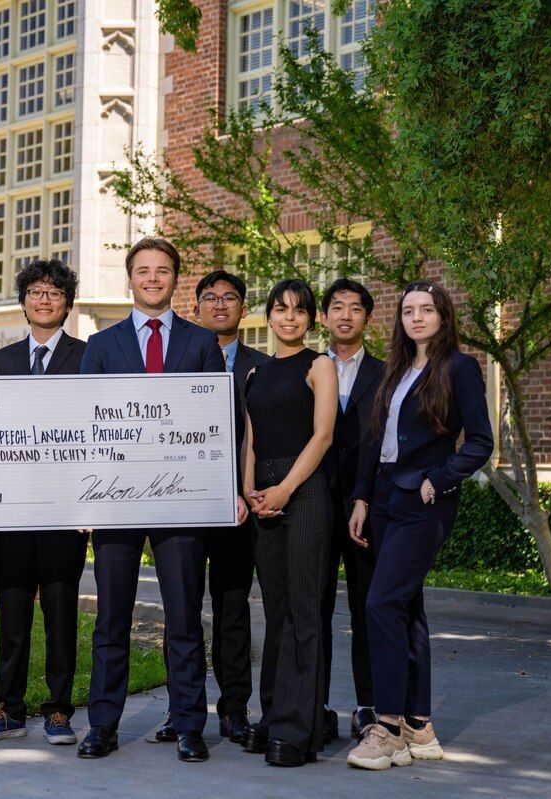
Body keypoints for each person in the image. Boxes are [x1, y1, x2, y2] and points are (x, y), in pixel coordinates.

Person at [76, 236, 246, 764]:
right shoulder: (101, 346)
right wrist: (84, 501)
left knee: (184, 618)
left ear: (175, 278)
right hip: (116, 504)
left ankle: (190, 724)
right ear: (130, 279)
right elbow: (85, 426)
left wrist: (222, 490)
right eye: (143, 270)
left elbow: (214, 425)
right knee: (112, 621)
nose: (153, 278)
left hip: (181, 504)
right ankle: (102, 724)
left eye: (163, 270)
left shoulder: (200, 344)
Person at [345, 280, 493, 770]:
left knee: (381, 602)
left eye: (427, 309)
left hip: (423, 501)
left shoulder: (459, 368)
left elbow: (480, 441)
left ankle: (386, 727)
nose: (417, 318)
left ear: (443, 316)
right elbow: (377, 439)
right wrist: (363, 496)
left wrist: (440, 478)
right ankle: (419, 725)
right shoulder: (397, 370)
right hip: (384, 497)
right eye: (408, 310)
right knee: (407, 609)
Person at [0, 258, 89, 747]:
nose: (44, 300)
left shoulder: (90, 357)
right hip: (14, 512)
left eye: (54, 292)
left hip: (66, 513)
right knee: (12, 614)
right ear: (23, 302)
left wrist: (94, 506)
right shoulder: (3, 362)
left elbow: (103, 432)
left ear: (66, 303)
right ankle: (8, 709)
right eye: (36, 292)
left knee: (61, 614)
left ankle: (59, 710)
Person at [147, 269, 269, 747]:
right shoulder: (175, 359)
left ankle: (234, 709)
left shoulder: (261, 366)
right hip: (182, 503)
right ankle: (182, 712)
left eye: (231, 298)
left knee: (232, 608)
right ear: (195, 307)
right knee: (181, 611)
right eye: (210, 298)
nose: (221, 305)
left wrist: (247, 489)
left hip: (238, 507)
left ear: (243, 308)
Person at [241, 279, 337, 767]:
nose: (289, 318)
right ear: (268, 316)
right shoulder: (256, 371)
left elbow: (321, 438)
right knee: (275, 611)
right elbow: (251, 443)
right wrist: (249, 491)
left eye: (300, 311)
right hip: (264, 496)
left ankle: (298, 731)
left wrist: (284, 490)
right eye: (280, 309)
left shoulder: (320, 365)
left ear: (311, 318)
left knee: (304, 610)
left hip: (306, 494)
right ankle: (273, 714)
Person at [317, 278, 384, 742]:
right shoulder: (307, 367)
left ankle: (369, 706)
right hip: (315, 506)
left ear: (367, 318)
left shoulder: (387, 373)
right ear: (323, 317)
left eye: (354, 308)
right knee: (313, 609)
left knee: (366, 611)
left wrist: (366, 495)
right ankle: (314, 704)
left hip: (366, 507)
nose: (345, 315)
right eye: (336, 307)